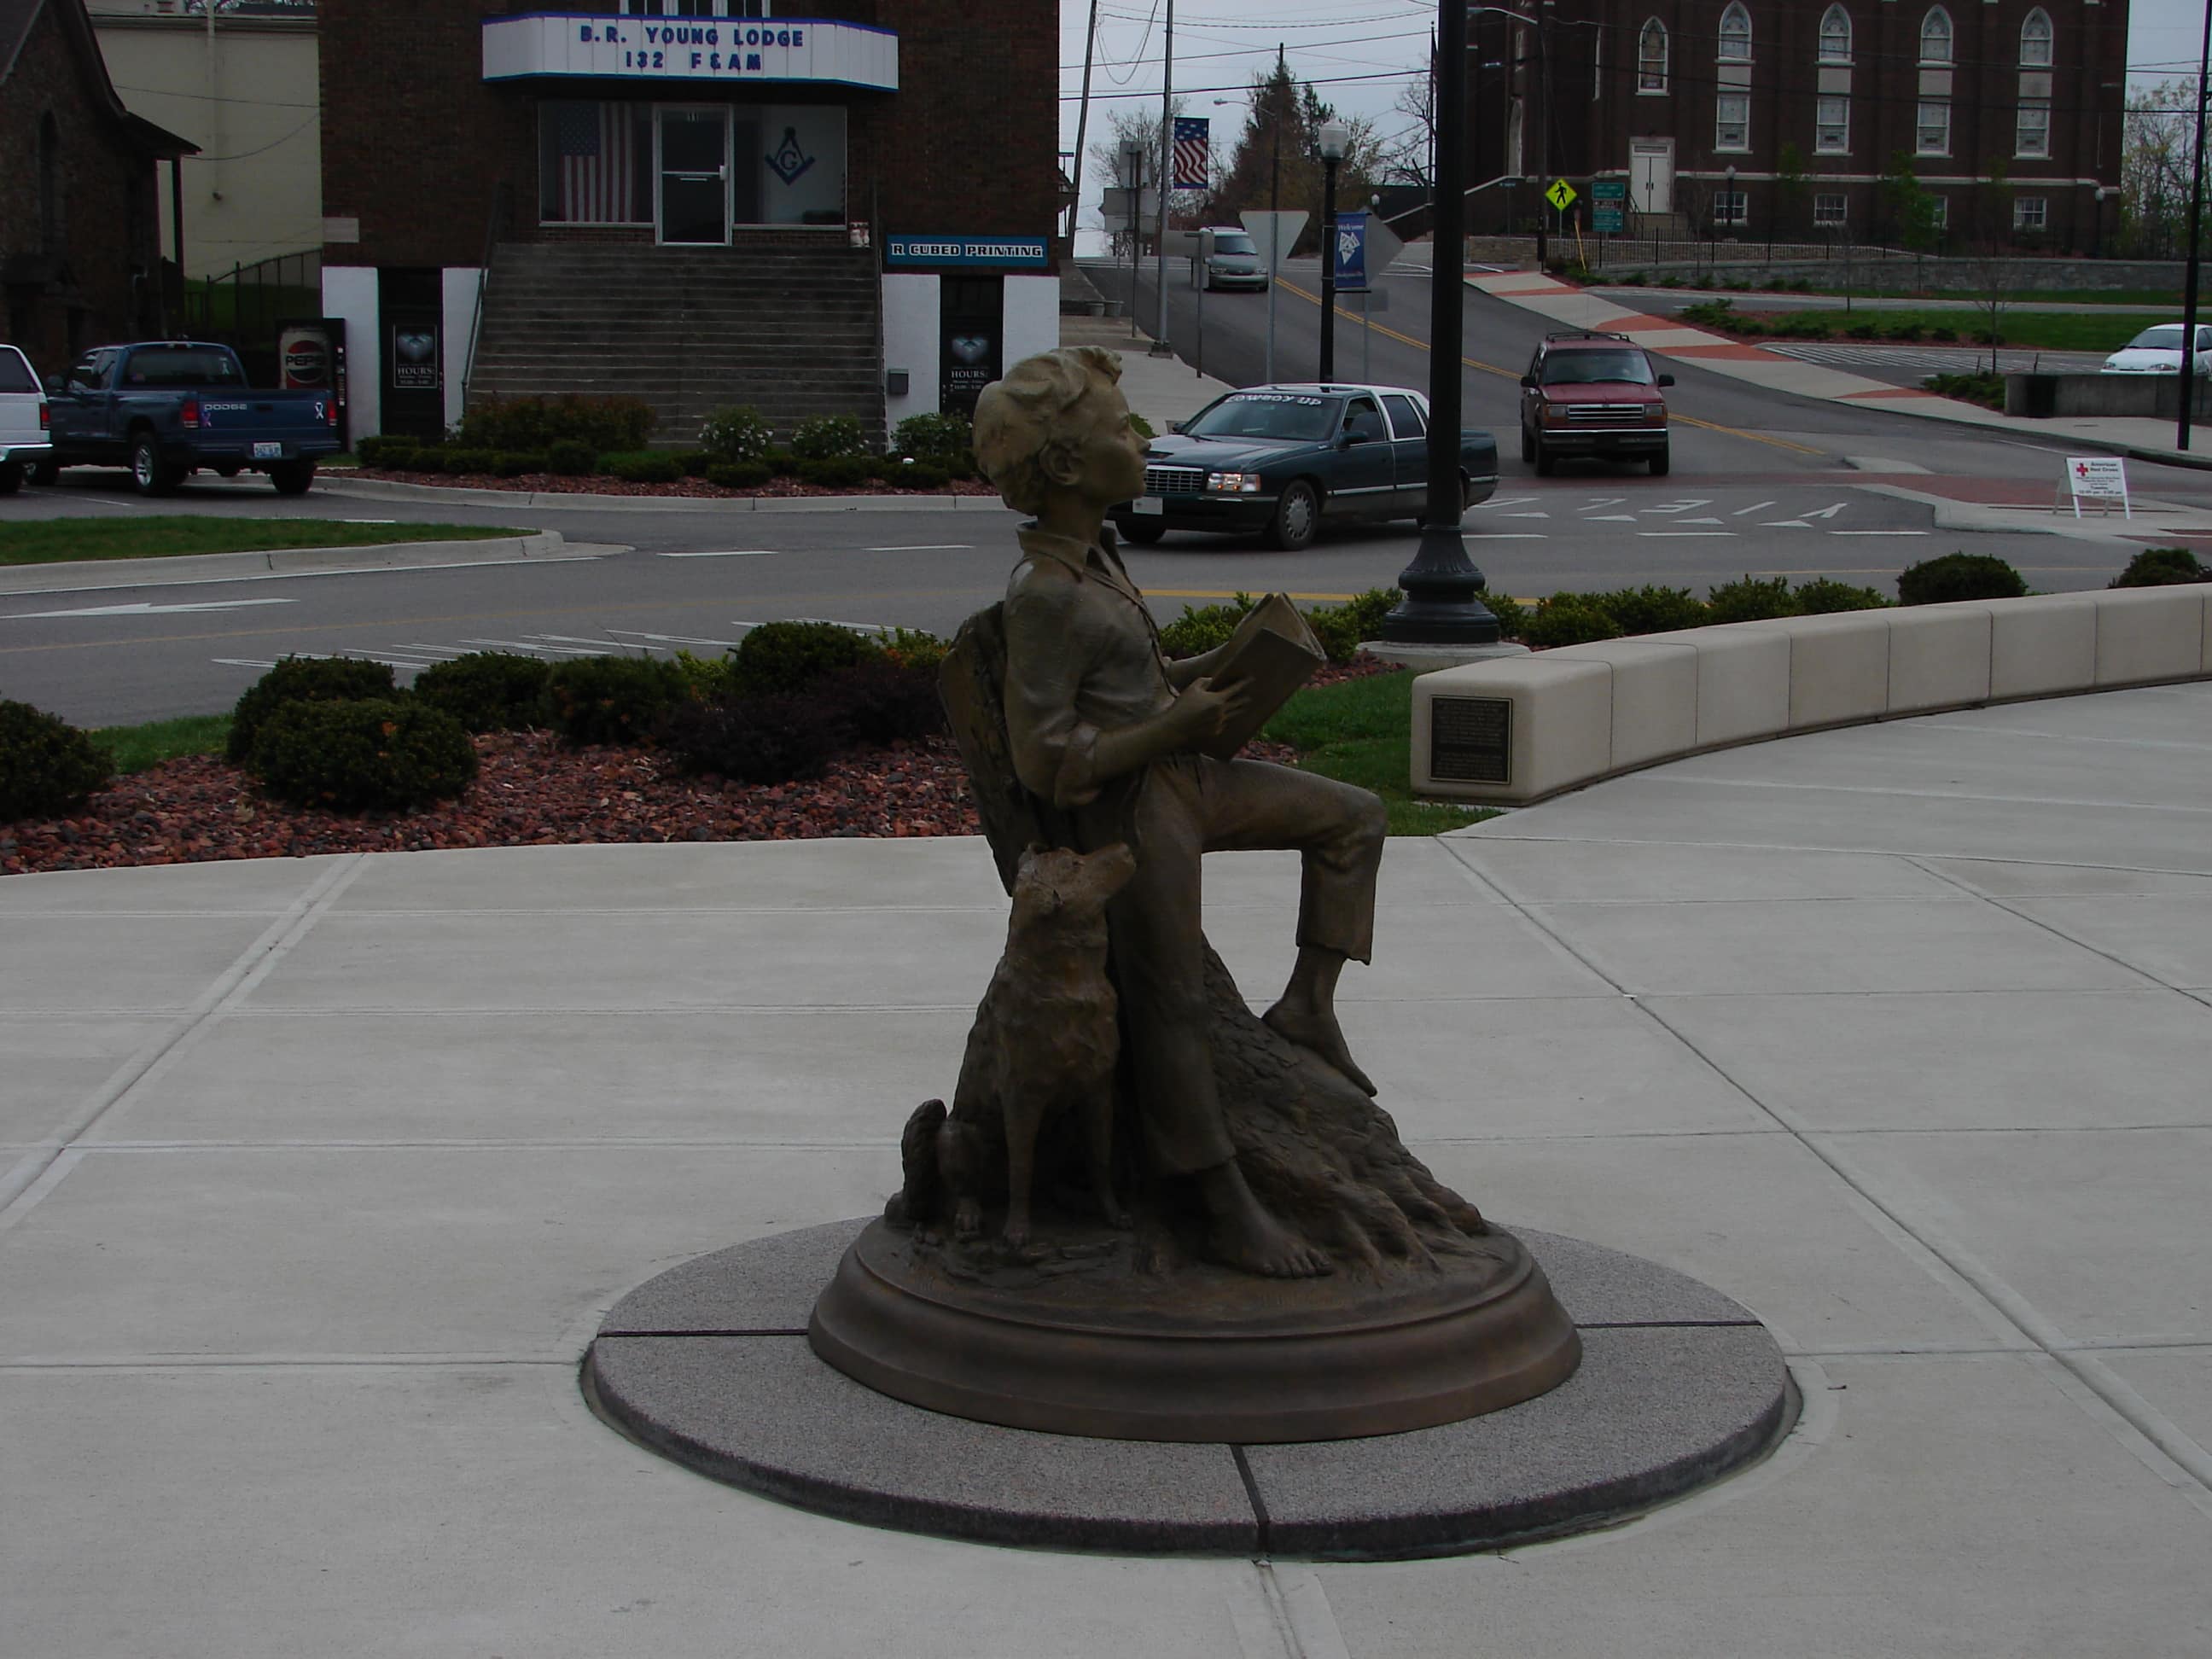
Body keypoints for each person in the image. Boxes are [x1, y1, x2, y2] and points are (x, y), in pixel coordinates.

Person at [972, 346, 1387, 1278]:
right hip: (1129, 810)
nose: (1145, 438)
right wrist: (1173, 728)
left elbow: (1131, 686)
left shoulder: (1100, 558)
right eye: (1124, 428)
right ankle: (1220, 1199)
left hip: (1181, 771)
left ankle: (1308, 1005)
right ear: (1071, 468)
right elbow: (1047, 762)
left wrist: (1207, 677)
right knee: (1173, 1003)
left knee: (1355, 818)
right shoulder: (1042, 594)